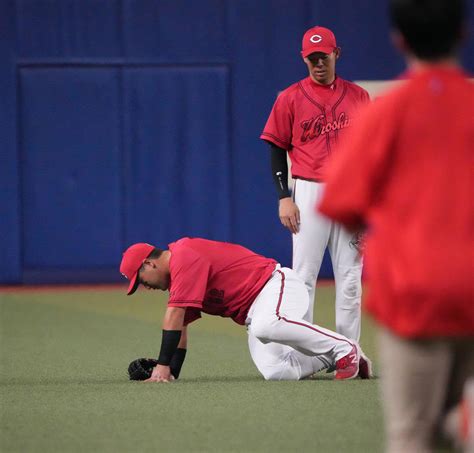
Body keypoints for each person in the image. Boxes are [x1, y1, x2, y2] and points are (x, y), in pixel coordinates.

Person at [317, 0, 474, 451]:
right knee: (449, 426)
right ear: (463, 34)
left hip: (416, 295)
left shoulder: (386, 112)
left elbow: (342, 204)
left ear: (399, 40)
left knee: (411, 435)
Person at [119, 237, 372, 382]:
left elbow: (173, 315)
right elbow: (181, 323)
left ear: (149, 264)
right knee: (277, 372)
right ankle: (333, 356)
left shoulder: (183, 257)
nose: (145, 287)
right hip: (255, 310)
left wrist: (161, 366)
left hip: (274, 284)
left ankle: (345, 347)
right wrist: (171, 371)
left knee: (266, 325)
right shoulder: (178, 277)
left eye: (140, 281)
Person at [260, 25, 370, 342]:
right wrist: (284, 196)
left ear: (337, 53)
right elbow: (276, 148)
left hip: (349, 193)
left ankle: (349, 352)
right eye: (312, 59)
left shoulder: (358, 97)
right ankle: (305, 355)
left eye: (324, 56)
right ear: (304, 59)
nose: (318, 64)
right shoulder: (290, 98)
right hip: (307, 191)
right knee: (304, 277)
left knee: (350, 278)